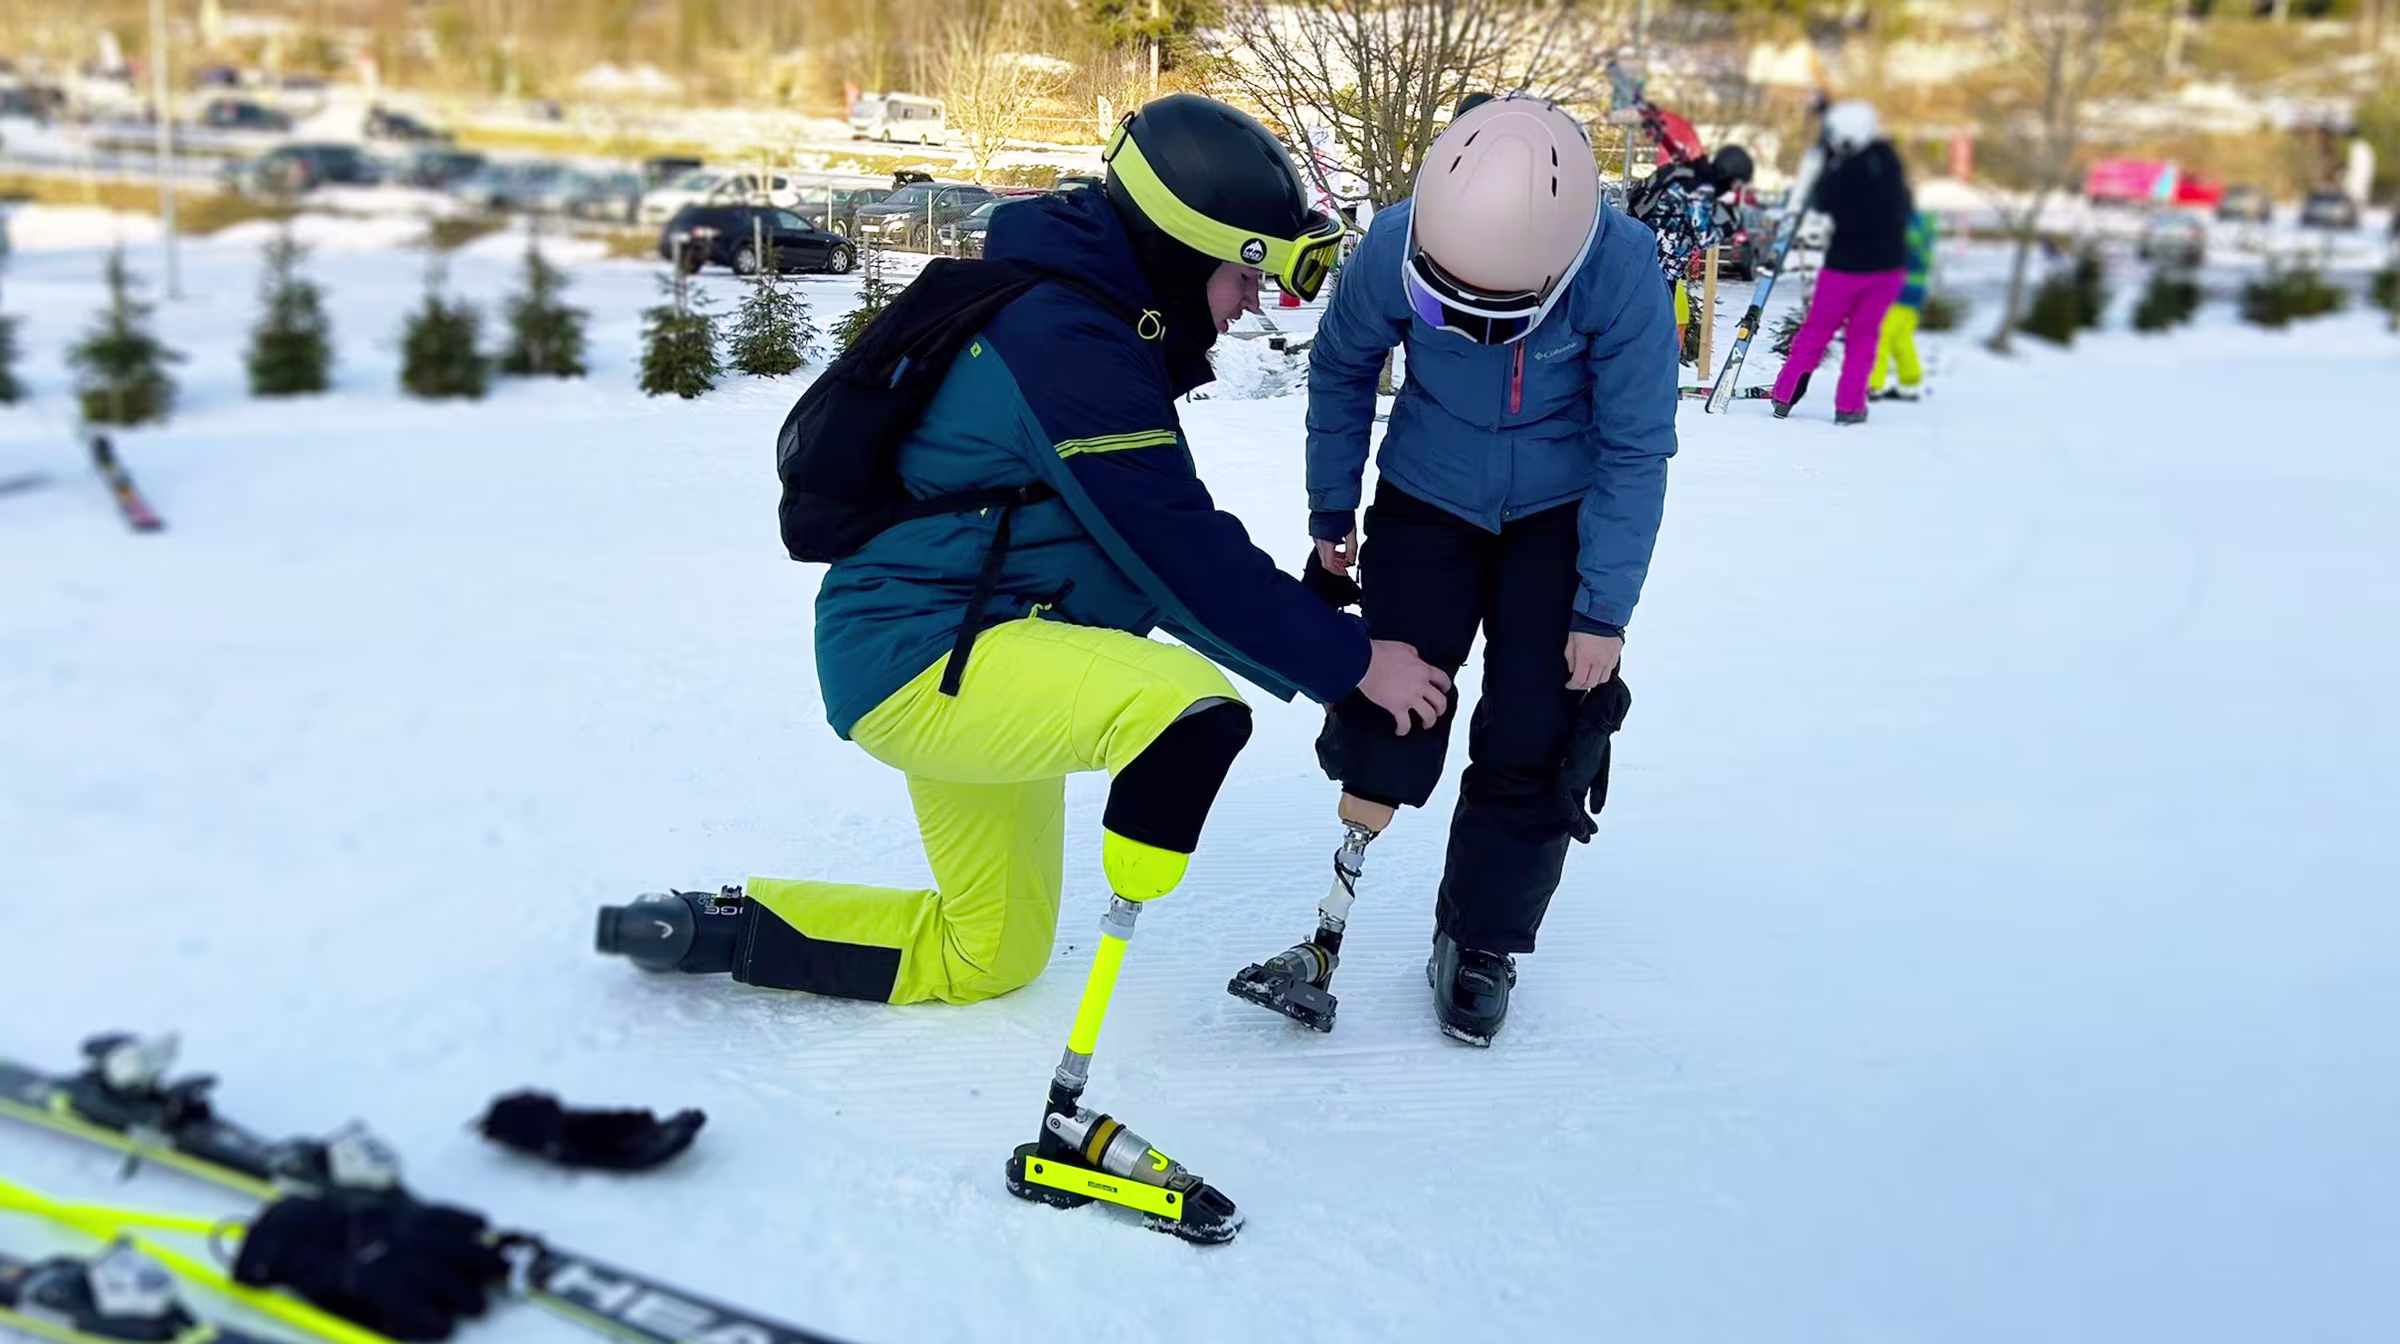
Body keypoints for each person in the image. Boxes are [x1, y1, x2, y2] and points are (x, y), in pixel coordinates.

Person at [595, 94, 1451, 1241]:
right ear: (1180, 247)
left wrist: (1311, 625)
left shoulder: (1088, 325)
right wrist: (1354, 665)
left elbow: (1142, 544)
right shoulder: (1067, 337)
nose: (1255, 300)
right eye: (1247, 272)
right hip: (928, 655)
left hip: (972, 654)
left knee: (984, 951)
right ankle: (1070, 1114)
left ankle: (718, 929)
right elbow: (1168, 541)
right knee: (1185, 714)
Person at [1229, 94, 1676, 1048]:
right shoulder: (1394, 244)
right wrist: (1329, 508)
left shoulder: (1622, 269)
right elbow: (1344, 368)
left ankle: (1479, 943)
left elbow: (1637, 447)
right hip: (1429, 495)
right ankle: (1332, 918)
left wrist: (1603, 611)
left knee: (1536, 723)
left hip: (1559, 515)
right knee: (1394, 691)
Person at [1770, 100, 1912, 426]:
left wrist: (1826, 157)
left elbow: (1822, 199)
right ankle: (1849, 406)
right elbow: (1902, 200)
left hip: (1844, 267)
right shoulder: (1887, 161)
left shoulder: (1839, 170)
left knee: (1815, 332)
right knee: (1863, 338)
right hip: (1887, 268)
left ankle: (1784, 395)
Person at [1627, 143, 1756, 356]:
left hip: (1643, 259)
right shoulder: (1700, 188)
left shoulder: (1685, 174)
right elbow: (1706, 236)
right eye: (1736, 181)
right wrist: (1731, 222)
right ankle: (1645, 382)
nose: (1735, 188)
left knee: (1646, 328)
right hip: (1659, 269)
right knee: (1651, 335)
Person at [1871, 207, 1935, 402]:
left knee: (1881, 335)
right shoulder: (1922, 223)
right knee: (1902, 337)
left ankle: (1873, 384)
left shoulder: (1900, 223)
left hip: (1897, 290)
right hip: (1916, 291)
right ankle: (1909, 383)